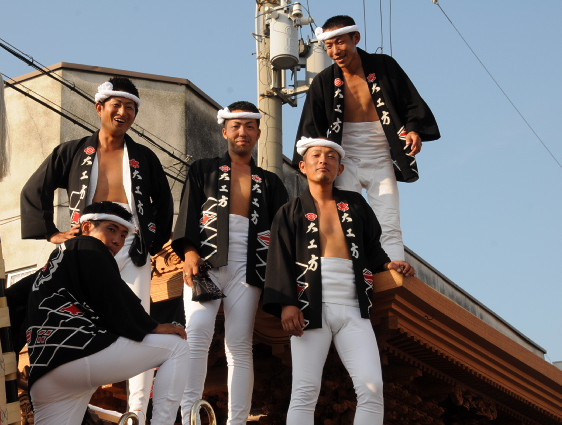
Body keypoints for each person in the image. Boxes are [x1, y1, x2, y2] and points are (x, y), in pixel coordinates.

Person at [20, 77, 173, 418]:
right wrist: (51, 233)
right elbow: (34, 189)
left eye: (130, 107)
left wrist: (153, 244)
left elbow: (164, 202)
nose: (123, 112)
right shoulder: (73, 151)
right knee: (82, 314)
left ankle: (137, 411)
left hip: (131, 243)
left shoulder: (144, 156)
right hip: (88, 244)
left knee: (139, 318)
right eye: (117, 105)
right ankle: (80, 393)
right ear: (99, 107)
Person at [263, 137, 416, 425]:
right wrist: (286, 304)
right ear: (303, 166)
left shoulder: (355, 204)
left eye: (331, 157)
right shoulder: (290, 211)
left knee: (372, 387)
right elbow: (279, 258)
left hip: (354, 307)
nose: (324, 160)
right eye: (317, 155)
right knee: (305, 390)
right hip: (309, 306)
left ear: (341, 168)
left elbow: (372, 248)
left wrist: (388, 264)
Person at [11, 201, 188, 425]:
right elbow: (111, 295)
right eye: (111, 229)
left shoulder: (48, 269)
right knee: (176, 347)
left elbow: (9, 300)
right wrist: (151, 326)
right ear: (86, 227)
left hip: (45, 374)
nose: (117, 241)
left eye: (123, 235)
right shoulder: (88, 245)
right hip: (78, 354)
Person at [171, 101, 289, 425]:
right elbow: (188, 212)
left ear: (259, 133)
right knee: (197, 332)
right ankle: (190, 417)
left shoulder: (270, 182)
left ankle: (237, 421)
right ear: (225, 131)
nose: (242, 132)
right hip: (206, 261)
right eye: (236, 126)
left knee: (239, 343)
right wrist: (189, 252)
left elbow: (283, 235)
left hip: (249, 266)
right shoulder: (203, 170)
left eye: (249, 126)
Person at [295, 15, 440, 262]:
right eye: (329, 45)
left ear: (356, 38)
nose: (335, 50)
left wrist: (414, 129)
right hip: (344, 158)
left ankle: (393, 270)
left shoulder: (384, 66)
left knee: (389, 219)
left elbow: (409, 102)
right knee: (343, 217)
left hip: (381, 155)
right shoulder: (324, 81)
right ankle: (348, 269)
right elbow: (312, 129)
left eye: (340, 42)